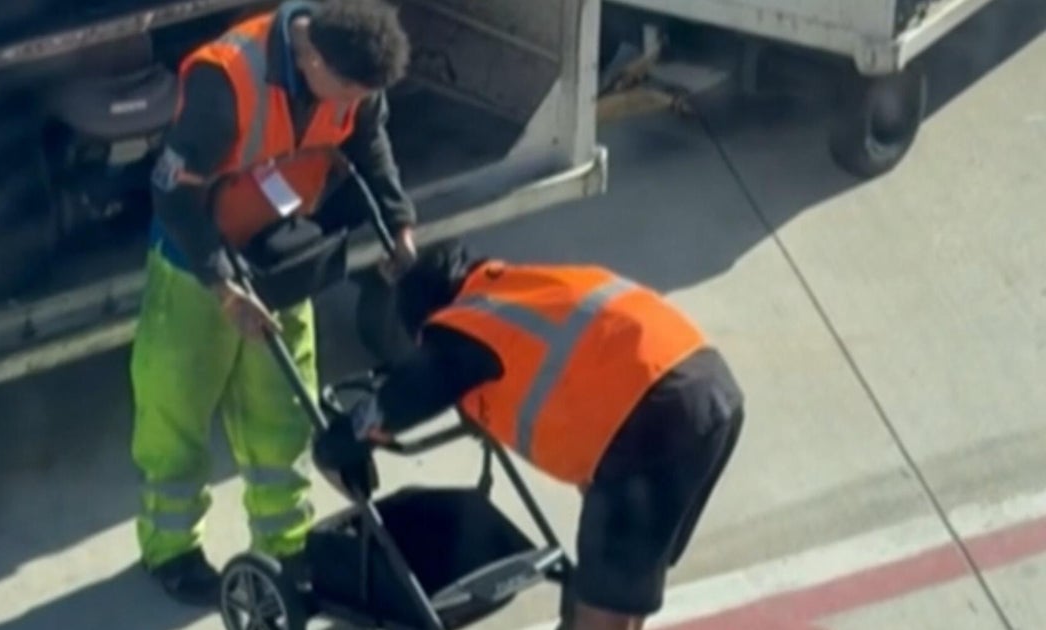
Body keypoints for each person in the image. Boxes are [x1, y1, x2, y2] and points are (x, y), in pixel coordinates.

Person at [131, 0, 418, 607]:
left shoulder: (353, 73)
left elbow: (372, 144)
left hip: (281, 255)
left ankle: (285, 545)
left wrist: (398, 224)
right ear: (312, 56)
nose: (350, 106)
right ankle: (172, 550)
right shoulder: (226, 81)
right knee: (176, 415)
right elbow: (173, 198)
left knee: (284, 415)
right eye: (345, 93)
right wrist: (222, 288)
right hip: (196, 265)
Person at [313, 240, 745, 630]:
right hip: (710, 391)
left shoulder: (465, 324)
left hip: (652, 420)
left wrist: (333, 448)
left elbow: (402, 397)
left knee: (603, 607)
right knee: (621, 584)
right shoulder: (519, 289)